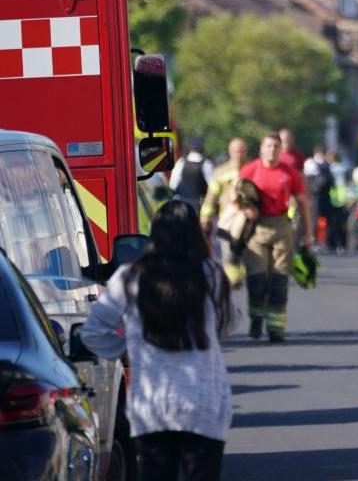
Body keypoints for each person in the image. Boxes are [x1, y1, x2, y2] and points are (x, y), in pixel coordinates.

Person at [80, 200, 235, 481]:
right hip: (204, 401)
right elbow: (228, 324)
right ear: (194, 234)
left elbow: (92, 331)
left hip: (153, 404)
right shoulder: (210, 274)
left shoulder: (130, 276)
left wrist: (126, 348)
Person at [239, 133, 313, 342]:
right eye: (268, 146)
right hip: (256, 228)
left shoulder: (289, 172)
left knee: (279, 281)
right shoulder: (251, 170)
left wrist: (308, 234)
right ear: (261, 149)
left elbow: (302, 203)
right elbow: (233, 198)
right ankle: (256, 319)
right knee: (257, 279)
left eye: (276, 146)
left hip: (281, 226)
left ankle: (275, 328)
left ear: (281, 150)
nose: (272, 150)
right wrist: (246, 210)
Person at [200, 137, 248, 285]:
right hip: (227, 220)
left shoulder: (252, 169)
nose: (238, 154)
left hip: (248, 220)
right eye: (235, 151)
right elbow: (211, 195)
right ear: (230, 152)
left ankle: (241, 275)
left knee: (246, 252)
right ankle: (233, 280)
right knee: (228, 251)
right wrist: (205, 216)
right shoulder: (221, 171)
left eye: (241, 151)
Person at [170, 135, 215, 212]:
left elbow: (173, 185)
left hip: (181, 204)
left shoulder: (181, 162)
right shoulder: (206, 164)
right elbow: (213, 187)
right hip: (199, 205)